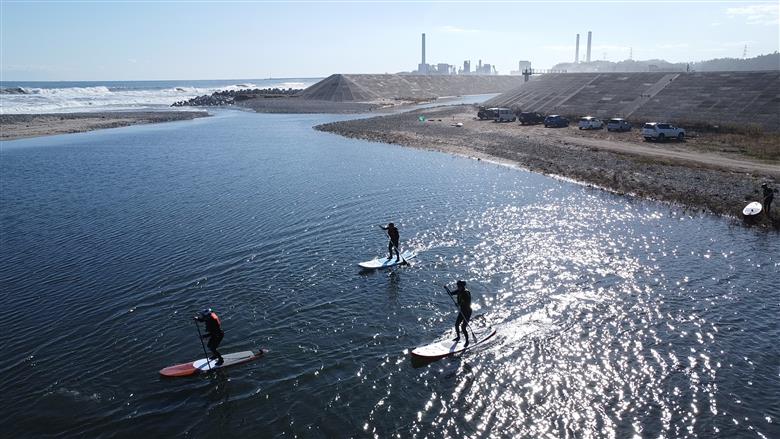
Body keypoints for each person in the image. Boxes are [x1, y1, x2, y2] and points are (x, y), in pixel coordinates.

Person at [446, 280, 473, 346]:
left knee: (463, 327)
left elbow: (467, 303)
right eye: (457, 286)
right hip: (462, 311)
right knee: (456, 324)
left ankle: (467, 341)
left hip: (467, 311)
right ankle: (458, 337)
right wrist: (446, 289)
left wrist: (458, 304)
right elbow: (451, 293)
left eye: (459, 286)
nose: (458, 287)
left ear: (462, 286)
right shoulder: (459, 290)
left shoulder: (466, 293)